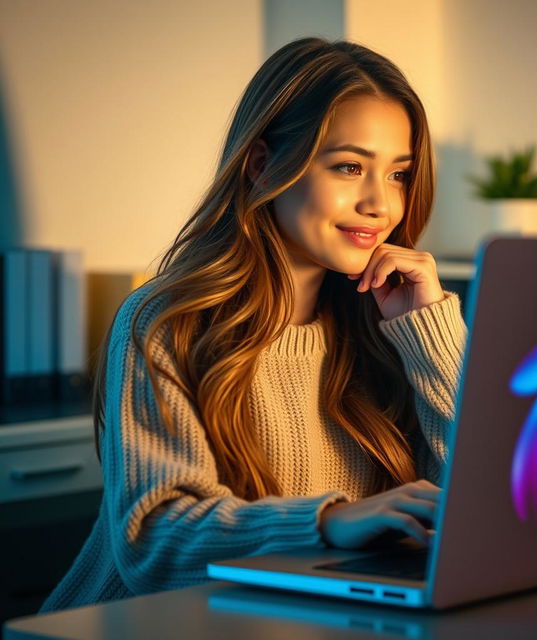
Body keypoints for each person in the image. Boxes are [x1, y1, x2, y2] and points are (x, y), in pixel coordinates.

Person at [40, 37, 467, 612]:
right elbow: (154, 544)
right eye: (349, 167)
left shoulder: (392, 331)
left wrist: (430, 338)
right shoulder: (166, 322)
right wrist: (329, 522)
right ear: (264, 166)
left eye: (397, 174)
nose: (379, 204)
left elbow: (477, 514)